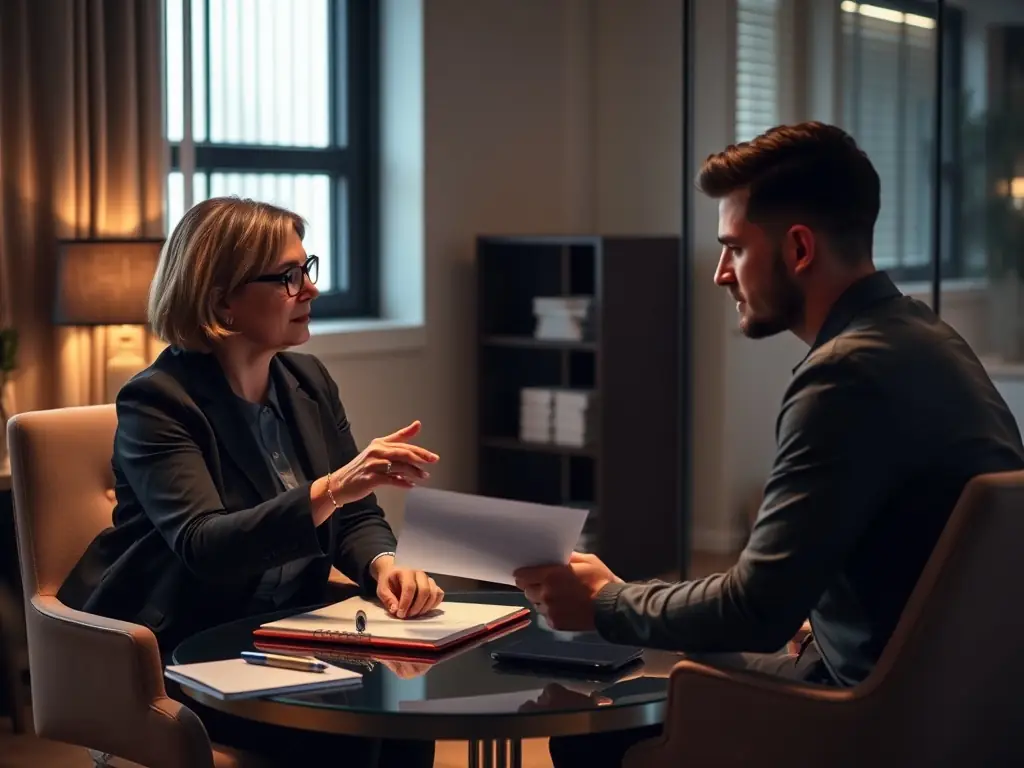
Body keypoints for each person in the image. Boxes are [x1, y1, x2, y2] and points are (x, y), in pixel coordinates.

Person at [513, 122, 1024, 767]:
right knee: (663, 666)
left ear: (800, 249)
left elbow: (755, 610)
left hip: (866, 717)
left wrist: (608, 601)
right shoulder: (928, 339)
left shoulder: (844, 375)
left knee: (588, 723)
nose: (722, 273)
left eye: (734, 248)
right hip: (952, 707)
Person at [58, 196, 442, 767]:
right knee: (353, 736)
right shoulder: (158, 401)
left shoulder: (307, 381)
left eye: (307, 269)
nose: (309, 289)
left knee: (406, 722)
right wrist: (333, 487)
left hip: (288, 636)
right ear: (223, 302)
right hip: (188, 646)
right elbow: (205, 545)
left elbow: (355, 516)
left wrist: (386, 565)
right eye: (289, 277)